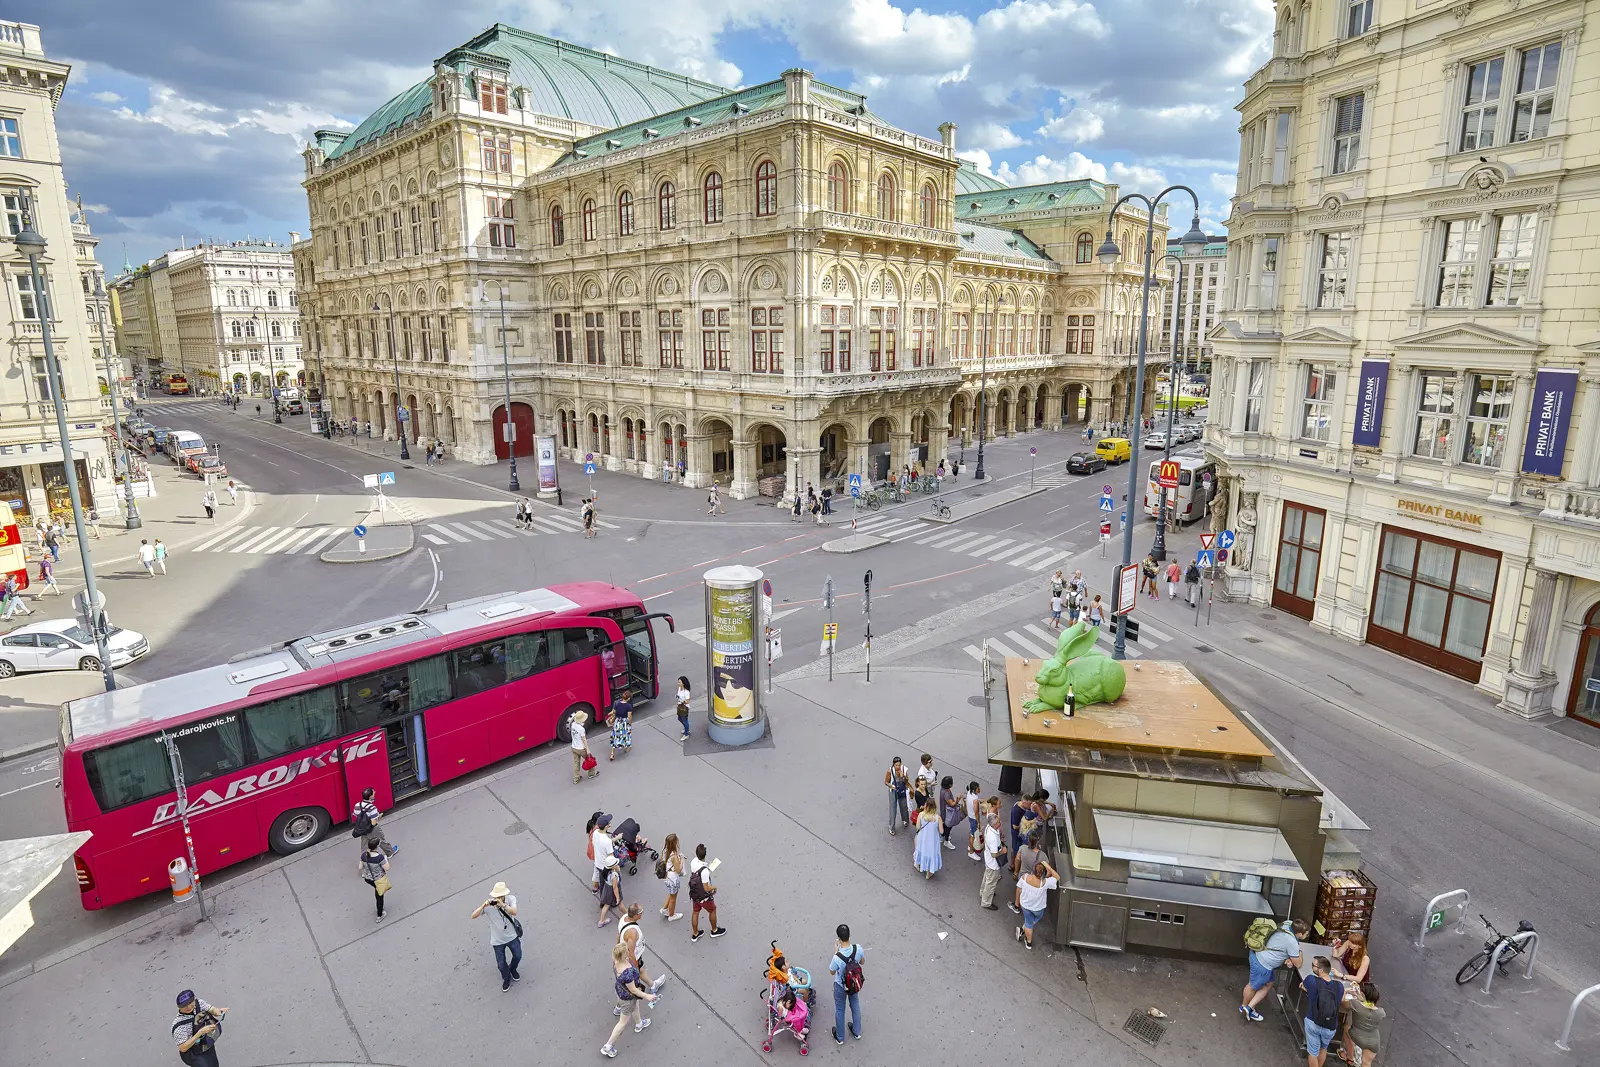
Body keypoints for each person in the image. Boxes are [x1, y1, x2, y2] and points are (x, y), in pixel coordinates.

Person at [601, 940, 660, 1058]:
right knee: (623, 1022)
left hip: (621, 991)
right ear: (624, 955)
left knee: (635, 1004)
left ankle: (639, 1023)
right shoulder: (627, 973)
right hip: (628, 998)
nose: (629, 950)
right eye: (627, 950)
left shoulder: (616, 962)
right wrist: (648, 996)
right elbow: (633, 990)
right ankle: (608, 1046)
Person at [1242, 917, 1308, 1021]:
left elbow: (1281, 945)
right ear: (1299, 934)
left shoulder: (1287, 924)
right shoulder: (1291, 942)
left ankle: (1248, 1006)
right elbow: (1298, 963)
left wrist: (1288, 957)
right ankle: (1246, 1007)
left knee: (1269, 983)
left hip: (1257, 954)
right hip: (1262, 965)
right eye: (1306, 934)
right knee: (1252, 986)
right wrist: (1299, 951)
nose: (1306, 936)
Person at [471, 881, 522, 991]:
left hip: (512, 936)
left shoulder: (511, 899)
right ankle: (506, 977)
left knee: (518, 955)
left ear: (504, 895)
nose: (497, 898)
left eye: (499, 896)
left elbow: (514, 912)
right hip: (497, 941)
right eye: (495, 896)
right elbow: (473, 916)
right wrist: (483, 905)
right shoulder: (489, 906)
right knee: (501, 964)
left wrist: (503, 905)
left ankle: (513, 969)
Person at [1301, 955, 1344, 1067]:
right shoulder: (1339, 986)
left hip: (1313, 1022)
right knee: (1323, 1048)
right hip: (1330, 1026)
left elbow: (1303, 986)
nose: (1312, 967)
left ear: (1320, 970)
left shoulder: (1311, 980)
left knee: (1312, 1052)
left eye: (1313, 965)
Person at [617, 902, 668, 996]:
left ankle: (652, 985)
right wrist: (635, 970)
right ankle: (624, 1002)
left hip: (624, 954)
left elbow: (619, 934)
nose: (642, 913)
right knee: (635, 975)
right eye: (641, 912)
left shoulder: (623, 918)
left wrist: (617, 949)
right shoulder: (632, 932)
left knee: (641, 970)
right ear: (636, 915)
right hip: (632, 957)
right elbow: (631, 953)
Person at [171, 990, 228, 1067]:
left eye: (190, 1002)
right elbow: (183, 1048)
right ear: (178, 1007)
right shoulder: (178, 1026)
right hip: (193, 1053)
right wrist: (200, 1033)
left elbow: (210, 1009)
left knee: (214, 1064)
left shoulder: (199, 1003)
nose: (188, 1007)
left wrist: (219, 1011)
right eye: (184, 1005)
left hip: (206, 1043)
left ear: (194, 999)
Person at [828, 923, 864, 1044]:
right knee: (855, 1005)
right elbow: (862, 961)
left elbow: (832, 972)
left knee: (840, 1009)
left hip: (840, 985)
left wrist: (835, 952)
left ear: (838, 938)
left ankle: (840, 1037)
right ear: (850, 935)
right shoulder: (858, 948)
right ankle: (857, 1031)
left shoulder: (837, 957)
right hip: (854, 983)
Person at [1014, 858, 1060, 950]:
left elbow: (1018, 889)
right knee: (1032, 921)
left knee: (1029, 923)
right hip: (1038, 909)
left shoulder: (1025, 877)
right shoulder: (1045, 882)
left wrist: (1017, 902)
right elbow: (1057, 877)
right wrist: (1049, 867)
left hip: (1026, 906)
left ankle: (1027, 939)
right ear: (1043, 873)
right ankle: (1026, 935)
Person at [687, 843, 725, 941]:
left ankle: (695, 934)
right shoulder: (704, 871)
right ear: (705, 855)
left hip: (695, 893)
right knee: (712, 910)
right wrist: (714, 888)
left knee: (695, 912)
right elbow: (706, 887)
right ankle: (714, 930)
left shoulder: (693, 862)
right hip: (703, 897)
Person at [351, 786, 399, 857]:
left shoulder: (357, 805)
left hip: (362, 828)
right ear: (370, 797)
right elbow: (373, 822)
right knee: (381, 840)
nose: (375, 793)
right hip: (372, 829)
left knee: (364, 845)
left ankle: (364, 859)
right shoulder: (372, 808)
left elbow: (356, 815)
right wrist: (378, 816)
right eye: (373, 793)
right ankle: (390, 852)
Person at [1346, 983, 1385, 1067]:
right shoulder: (1381, 1012)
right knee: (1366, 1063)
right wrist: (1360, 997)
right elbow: (1369, 1007)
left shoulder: (1355, 1004)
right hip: (1373, 1041)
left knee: (1346, 1029)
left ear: (1363, 994)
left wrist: (1346, 992)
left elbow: (1342, 1002)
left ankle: (1349, 1056)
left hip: (1357, 1036)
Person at [979, 810, 1008, 909]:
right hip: (993, 863)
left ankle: (983, 892)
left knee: (987, 878)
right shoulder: (993, 838)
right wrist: (1003, 851)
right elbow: (994, 854)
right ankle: (986, 902)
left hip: (988, 860)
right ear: (994, 824)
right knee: (991, 883)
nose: (1000, 823)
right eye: (999, 822)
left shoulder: (989, 827)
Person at [1009, 831, 1043, 913]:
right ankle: (1030, 907)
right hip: (1034, 877)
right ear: (1038, 842)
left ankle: (1016, 906)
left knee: (1019, 889)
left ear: (1028, 840)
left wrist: (1016, 872)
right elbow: (1046, 869)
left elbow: (1017, 859)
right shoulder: (1042, 855)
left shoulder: (1023, 848)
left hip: (1023, 875)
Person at [358, 842, 390, 922]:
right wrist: (385, 859)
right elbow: (387, 868)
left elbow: (360, 867)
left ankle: (380, 906)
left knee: (377, 890)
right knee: (380, 895)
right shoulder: (379, 857)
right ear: (377, 847)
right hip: (378, 879)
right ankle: (380, 915)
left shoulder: (364, 855)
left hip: (368, 879)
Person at [912, 799, 942, 879]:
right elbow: (941, 831)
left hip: (923, 837)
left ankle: (918, 864)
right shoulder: (938, 818)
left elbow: (917, 827)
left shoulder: (921, 815)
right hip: (933, 839)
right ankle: (929, 873)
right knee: (931, 853)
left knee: (920, 849)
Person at [659, 833, 685, 921]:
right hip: (673, 879)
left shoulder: (665, 851)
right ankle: (671, 915)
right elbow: (678, 870)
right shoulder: (673, 856)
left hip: (667, 877)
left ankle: (665, 909)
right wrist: (681, 860)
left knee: (671, 894)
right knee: (673, 898)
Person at [885, 756, 911, 836]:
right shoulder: (890, 771)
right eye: (896, 765)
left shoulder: (904, 769)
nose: (898, 767)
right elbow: (886, 782)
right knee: (893, 808)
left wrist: (903, 776)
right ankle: (891, 827)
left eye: (899, 765)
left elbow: (907, 780)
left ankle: (905, 820)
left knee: (903, 806)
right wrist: (891, 786)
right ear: (893, 765)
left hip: (902, 789)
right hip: (893, 791)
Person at [570, 710, 598, 784]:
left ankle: (576, 778)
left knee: (576, 763)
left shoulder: (573, 724)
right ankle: (591, 773)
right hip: (581, 748)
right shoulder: (581, 729)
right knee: (589, 760)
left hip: (573, 747)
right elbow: (584, 740)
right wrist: (588, 750)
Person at [608, 687, 634, 760]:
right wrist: (630, 723)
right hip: (624, 723)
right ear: (628, 698)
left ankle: (612, 753)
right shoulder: (628, 706)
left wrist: (609, 715)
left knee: (615, 736)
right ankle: (627, 747)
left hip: (617, 722)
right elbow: (629, 717)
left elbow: (614, 712)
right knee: (626, 734)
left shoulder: (617, 703)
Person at [938, 775, 962, 850]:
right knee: (948, 826)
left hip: (943, 811)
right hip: (948, 813)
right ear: (949, 784)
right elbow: (952, 804)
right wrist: (957, 800)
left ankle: (942, 836)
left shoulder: (943, 790)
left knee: (944, 824)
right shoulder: (947, 793)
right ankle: (946, 841)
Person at [963, 782, 983, 860]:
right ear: (975, 789)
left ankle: (970, 846)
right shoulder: (974, 800)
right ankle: (971, 852)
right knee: (973, 834)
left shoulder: (969, 793)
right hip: (974, 818)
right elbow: (976, 812)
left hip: (970, 816)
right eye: (978, 788)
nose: (979, 789)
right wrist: (978, 822)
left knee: (972, 832)